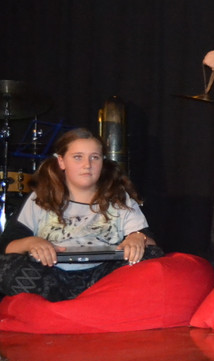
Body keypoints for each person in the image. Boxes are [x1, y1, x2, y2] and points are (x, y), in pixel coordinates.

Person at [0, 128, 160, 301]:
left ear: (102, 162)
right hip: (52, 274)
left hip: (105, 277)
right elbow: (7, 245)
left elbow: (149, 242)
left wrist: (138, 237)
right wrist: (32, 242)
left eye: (95, 157)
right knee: (6, 266)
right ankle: (82, 305)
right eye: (78, 157)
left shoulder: (118, 197)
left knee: (150, 256)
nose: (87, 165)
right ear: (61, 162)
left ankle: (90, 303)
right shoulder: (40, 198)